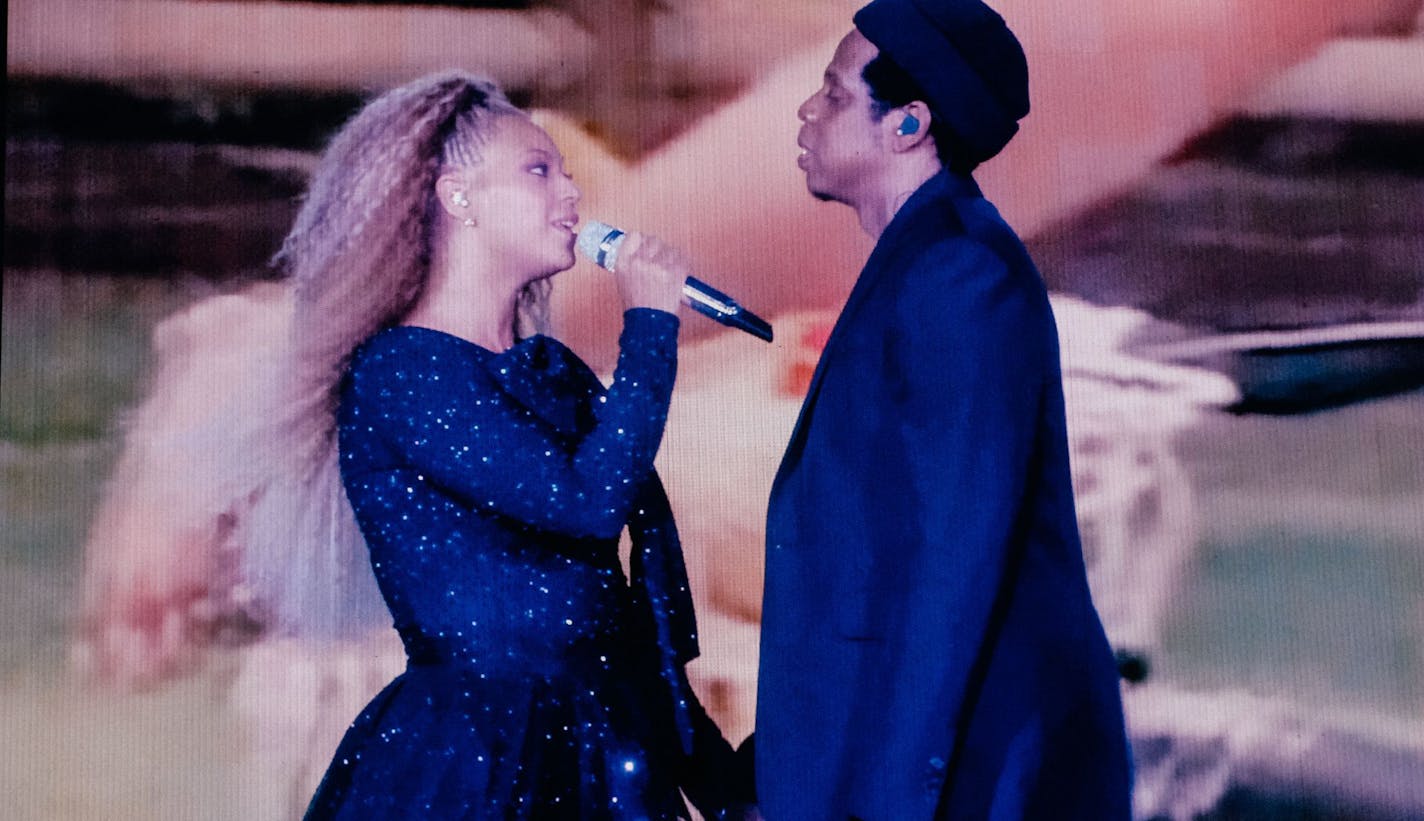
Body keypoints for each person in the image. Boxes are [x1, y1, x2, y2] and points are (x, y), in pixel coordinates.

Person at [229, 70, 753, 819]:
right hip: (480, 758)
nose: (570, 196)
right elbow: (585, 505)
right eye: (538, 171)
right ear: (456, 194)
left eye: (569, 175)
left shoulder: (553, 373)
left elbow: (619, 602)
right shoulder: (402, 371)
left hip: (604, 746)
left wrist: (710, 774)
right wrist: (649, 329)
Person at [752, 1, 1133, 818]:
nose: (807, 112)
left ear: (909, 125)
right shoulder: (922, 264)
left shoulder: (959, 277)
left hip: (973, 769)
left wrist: (890, 797)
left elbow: (951, 561)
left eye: (832, 94)